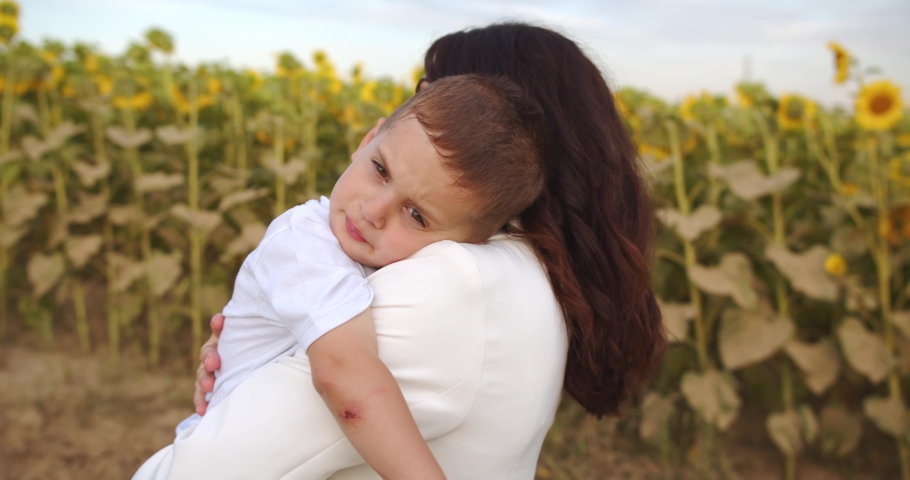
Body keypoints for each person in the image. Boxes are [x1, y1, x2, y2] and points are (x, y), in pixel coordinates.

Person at [135, 22, 665, 480]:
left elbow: (340, 381)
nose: (374, 210)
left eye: (438, 90)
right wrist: (255, 347)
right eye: (383, 167)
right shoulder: (522, 274)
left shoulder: (452, 283)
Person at [167, 74, 547, 480]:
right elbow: (344, 374)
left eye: (416, 215)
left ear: (469, 243)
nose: (373, 211)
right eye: (380, 170)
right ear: (367, 141)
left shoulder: (406, 268)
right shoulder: (306, 245)